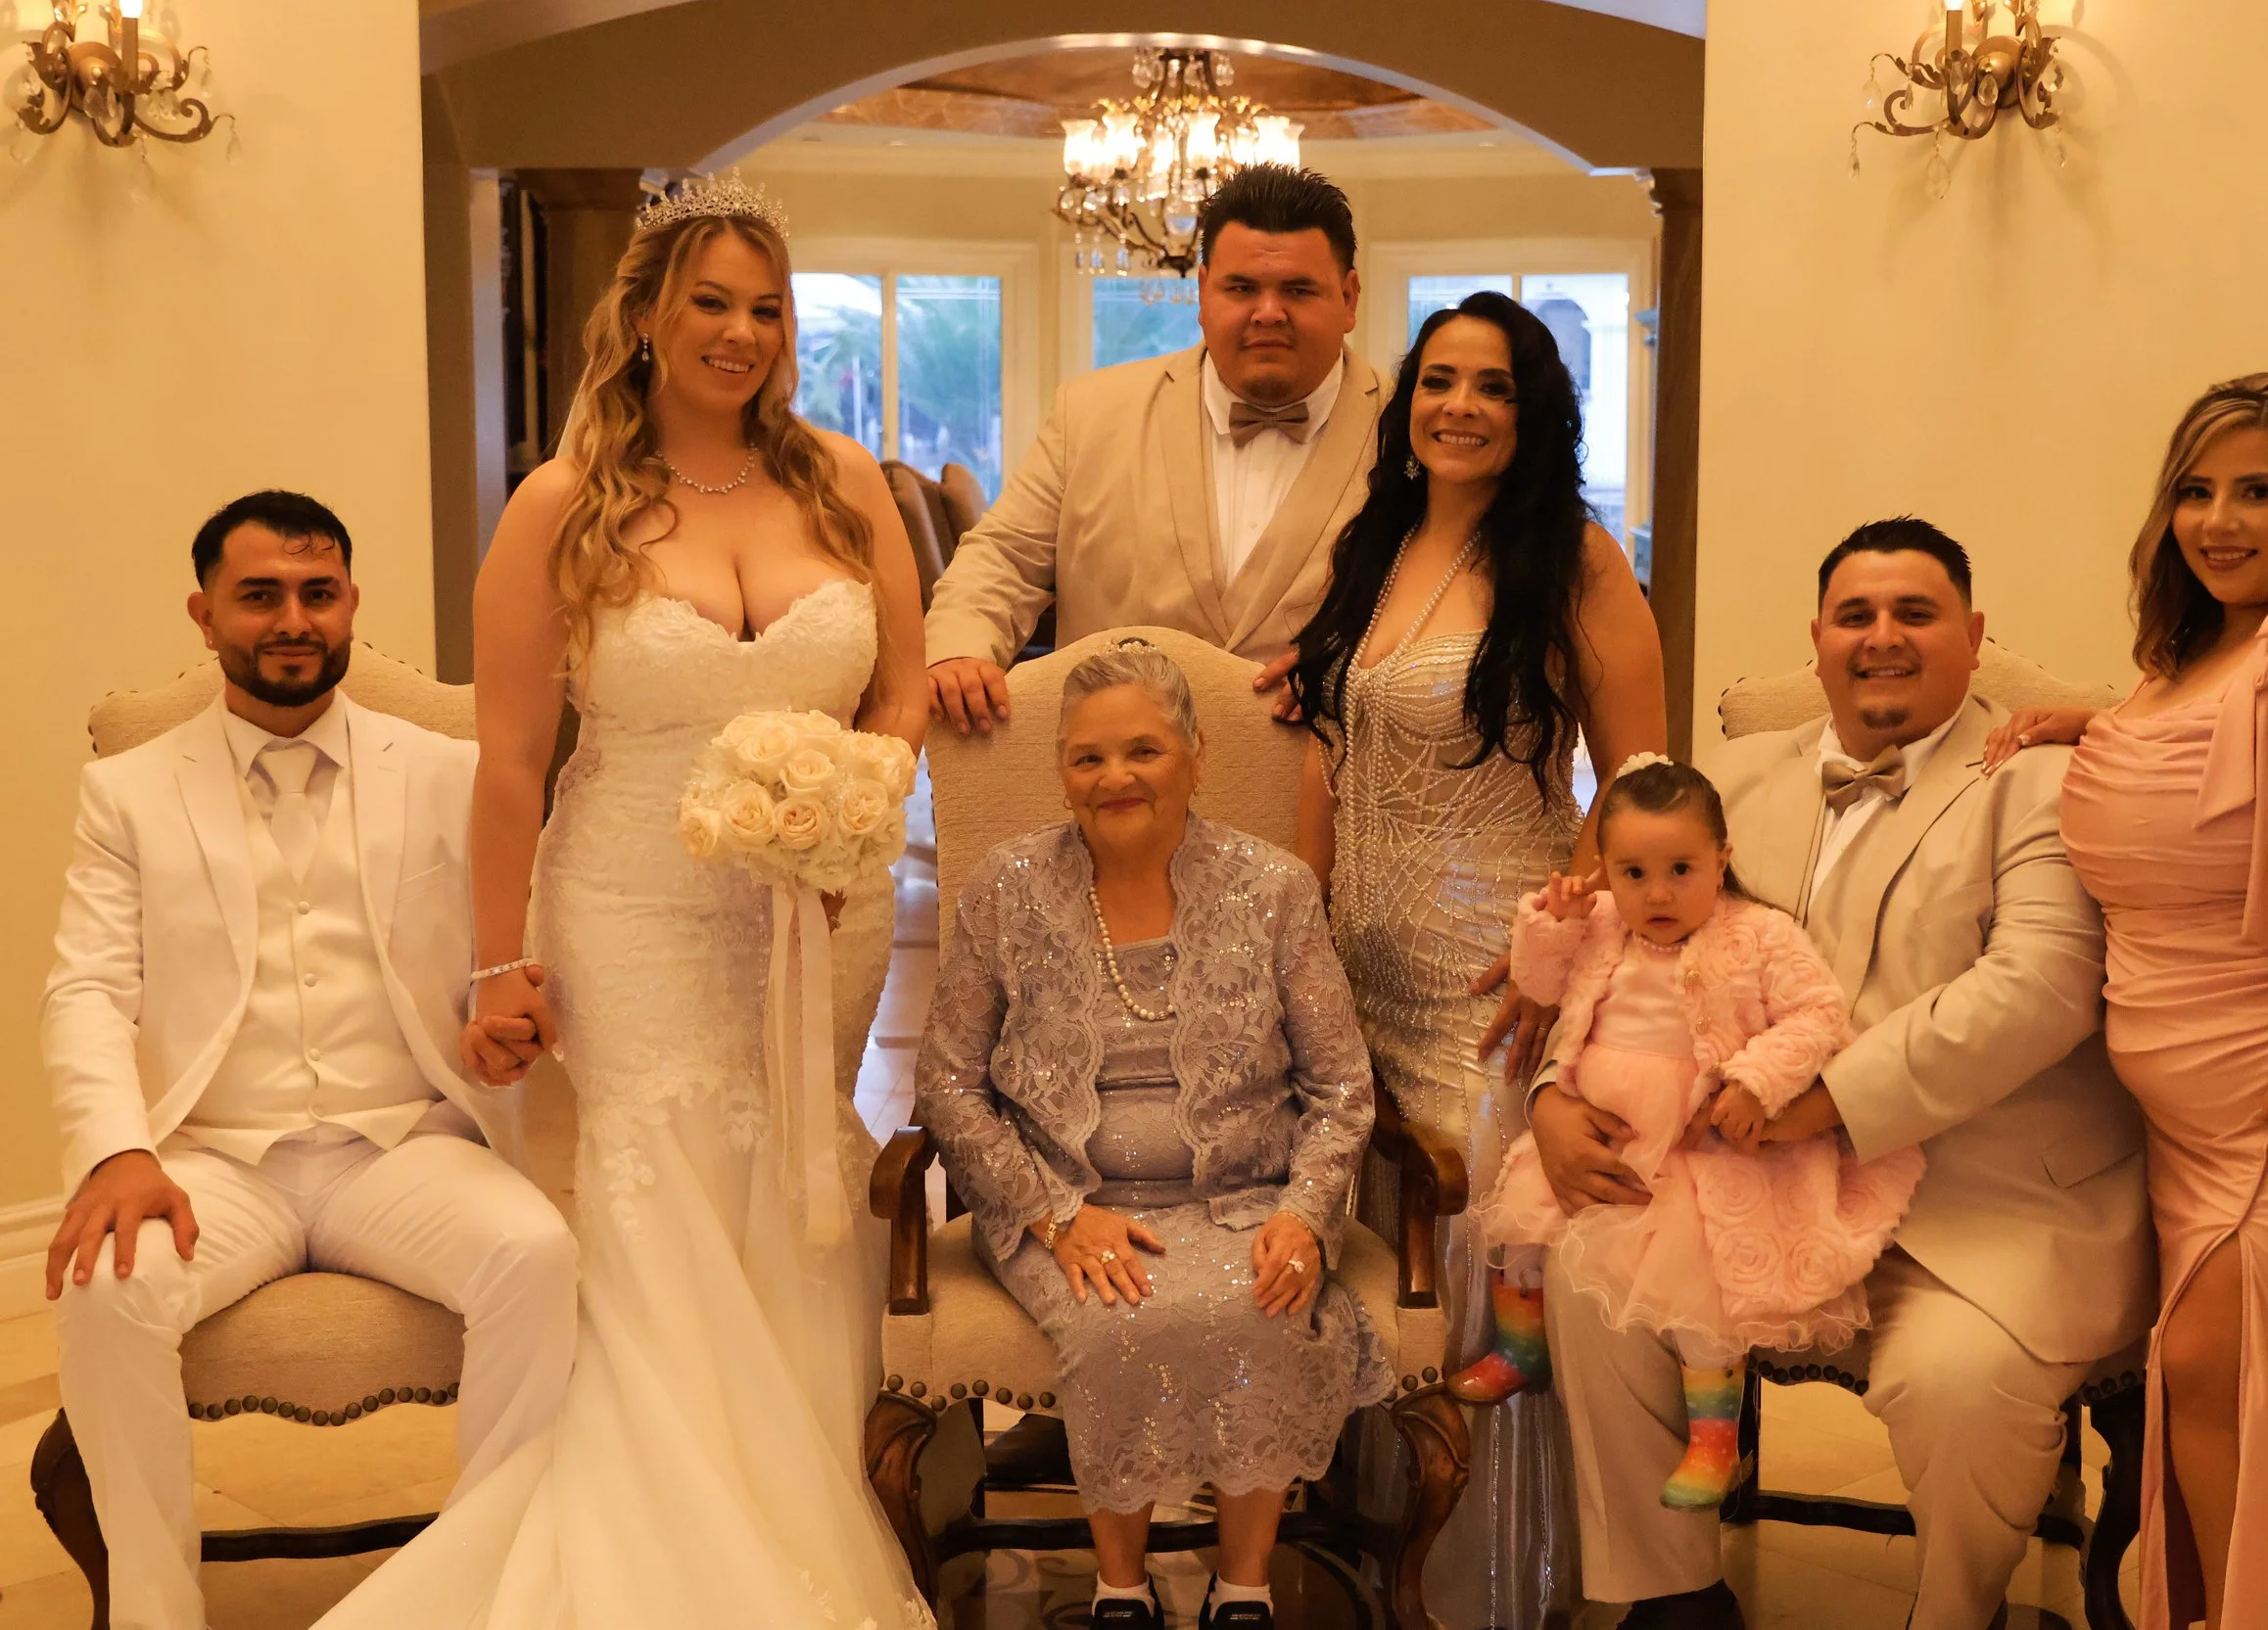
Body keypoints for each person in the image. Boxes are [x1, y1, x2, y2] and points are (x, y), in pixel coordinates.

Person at [312, 177, 932, 1629]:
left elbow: (900, 687)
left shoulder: (846, 483)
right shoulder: (563, 504)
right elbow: (512, 762)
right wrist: (499, 966)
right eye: (710, 301)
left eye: (766, 307)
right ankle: (693, 1549)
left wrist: (857, 802)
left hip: (814, 911)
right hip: (632, 906)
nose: (740, 332)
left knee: (799, 1175)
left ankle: (798, 1479)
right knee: (667, 1188)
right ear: (646, 314)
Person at [1536, 519, 2154, 1630]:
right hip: (1758, 1187)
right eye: (1854, 615)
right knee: (1591, 1275)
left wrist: (1825, 1100)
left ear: (1973, 634)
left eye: (1915, 612)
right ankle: (1672, 1599)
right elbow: (1620, 945)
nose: (1882, 637)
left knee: (1956, 1383)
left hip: (1984, 1196)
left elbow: (2039, 987)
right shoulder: (1729, 780)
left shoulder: (2045, 782)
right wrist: (1550, 1095)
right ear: (1816, 638)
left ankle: (1956, 1612)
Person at [41, 491, 580, 1630]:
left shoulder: (451, 769)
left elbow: (518, 953)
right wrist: (118, 1151)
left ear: (349, 605)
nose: (293, 618)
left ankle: (490, 1583)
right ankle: (153, 1611)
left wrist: (513, 1018)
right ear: (204, 615)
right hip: (213, 1160)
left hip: (403, 1144)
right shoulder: (128, 790)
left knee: (534, 1253)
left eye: (317, 593)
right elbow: (86, 986)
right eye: (260, 595)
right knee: (107, 1289)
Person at [1989, 375, 2268, 1630]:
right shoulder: (2210, 650)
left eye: (2257, 490)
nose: (2218, 519)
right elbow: (2239, 746)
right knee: (2210, 1376)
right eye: (2195, 491)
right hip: (2199, 1120)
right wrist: (2099, 722)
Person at [1287, 290, 1668, 1630]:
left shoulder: (1573, 557)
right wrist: (1300, 930)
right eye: (1439, 380)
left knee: (1473, 1250)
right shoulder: (1376, 542)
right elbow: (1328, 747)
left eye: (1492, 386)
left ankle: (1495, 1585)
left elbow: (1642, 781)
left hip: (1490, 976)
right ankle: (1368, 1541)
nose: (1459, 406)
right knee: (1366, 1235)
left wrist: (1569, 948)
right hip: (1356, 965)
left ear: (1533, 411)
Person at [916, 643, 1389, 1630]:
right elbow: (949, 1083)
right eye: (1087, 757)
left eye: (1143, 750)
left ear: (1196, 756)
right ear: (1061, 772)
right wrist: (1053, 1214)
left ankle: (1244, 1586)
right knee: (1115, 1316)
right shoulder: (1006, 887)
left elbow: (1342, 1084)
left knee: (1266, 1305)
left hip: (1248, 1196)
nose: (1115, 776)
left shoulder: (1274, 888)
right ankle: (1119, 1588)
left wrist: (1306, 1215)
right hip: (1061, 1202)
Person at [1465, 759, 1923, 1517]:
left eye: (1681, 869)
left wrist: (1754, 1079)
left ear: (1721, 858)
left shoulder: (1758, 933)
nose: (1658, 894)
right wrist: (1554, 920)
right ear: (1605, 870)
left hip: (1697, 1150)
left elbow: (1817, 1014)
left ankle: (1715, 1439)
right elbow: (1541, 985)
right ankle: (1521, 1347)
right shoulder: (1600, 924)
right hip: (1606, 1129)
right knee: (1522, 1222)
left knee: (1701, 1299)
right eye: (1634, 873)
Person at [923, 163, 1381, 735]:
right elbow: (1005, 557)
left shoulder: (1409, 431)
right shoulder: (1089, 412)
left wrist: (1363, 668)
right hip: (1111, 771)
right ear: (1203, 292)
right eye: (1241, 288)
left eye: (1298, 289)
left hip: (1332, 774)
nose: (1268, 312)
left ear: (1348, 297)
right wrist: (960, 648)